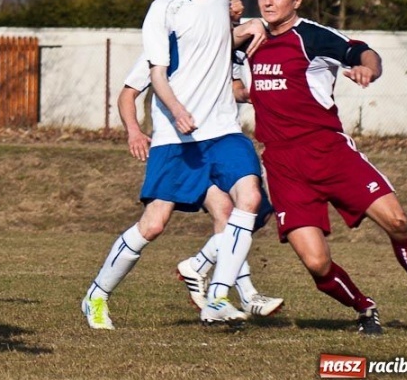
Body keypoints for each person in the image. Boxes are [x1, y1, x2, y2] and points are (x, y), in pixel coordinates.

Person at [239, 0, 407, 334]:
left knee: (398, 222)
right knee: (316, 263)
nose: (268, 1)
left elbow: (364, 53)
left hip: (330, 152)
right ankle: (364, 307)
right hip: (283, 165)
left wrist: (367, 70)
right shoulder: (249, 40)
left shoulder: (312, 37)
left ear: (297, 0)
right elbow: (224, 70)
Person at [82, 0, 267, 329]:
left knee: (245, 202)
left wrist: (248, 23)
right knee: (154, 224)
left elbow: (224, 35)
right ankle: (96, 294)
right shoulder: (164, 11)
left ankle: (220, 296)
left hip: (222, 130)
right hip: (176, 138)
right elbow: (148, 81)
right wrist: (153, 122)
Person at [118, 52, 283, 317]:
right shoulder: (164, 45)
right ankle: (98, 294)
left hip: (220, 141)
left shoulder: (229, 46)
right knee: (154, 223)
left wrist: (253, 92)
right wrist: (134, 131)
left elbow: (235, 88)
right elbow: (128, 93)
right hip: (178, 146)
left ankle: (214, 275)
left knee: (246, 211)